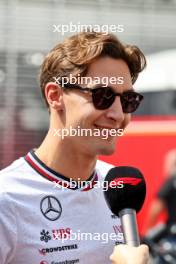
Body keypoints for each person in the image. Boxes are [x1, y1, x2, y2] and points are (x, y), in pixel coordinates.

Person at [0, 30, 147, 263]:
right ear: (55, 95)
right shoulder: (7, 198)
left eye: (128, 100)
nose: (118, 114)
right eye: (103, 95)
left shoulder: (118, 186)